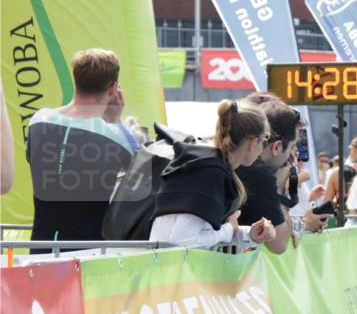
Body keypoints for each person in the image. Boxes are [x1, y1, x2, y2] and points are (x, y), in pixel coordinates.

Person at [25, 48, 134, 251]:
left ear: (76, 81)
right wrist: (116, 120)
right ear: (113, 89)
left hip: (39, 250)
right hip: (87, 257)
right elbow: (143, 178)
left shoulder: (38, 120)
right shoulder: (118, 136)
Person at [149, 100, 276, 249]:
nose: (262, 148)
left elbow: (203, 233)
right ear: (253, 143)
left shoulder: (210, 166)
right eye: (264, 140)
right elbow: (182, 242)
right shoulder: (209, 173)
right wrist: (228, 229)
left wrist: (248, 234)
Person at [235, 94, 329, 252]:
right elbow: (279, 244)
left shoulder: (238, 159)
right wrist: (278, 188)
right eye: (292, 147)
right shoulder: (258, 172)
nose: (293, 156)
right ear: (277, 147)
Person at [324, 132, 357, 203]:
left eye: (350, 149)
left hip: (347, 213)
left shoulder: (338, 172)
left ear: (355, 150)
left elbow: (326, 205)